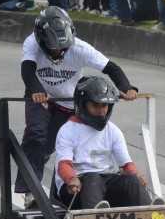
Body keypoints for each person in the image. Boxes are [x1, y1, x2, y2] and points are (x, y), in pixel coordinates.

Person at [16, 7, 139, 209]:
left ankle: (65, 193)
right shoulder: (32, 43)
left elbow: (111, 68)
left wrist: (127, 87)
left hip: (67, 101)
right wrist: (36, 90)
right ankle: (30, 191)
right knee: (36, 136)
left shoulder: (80, 48)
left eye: (62, 49)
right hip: (40, 96)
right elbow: (27, 69)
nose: (58, 53)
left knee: (56, 146)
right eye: (53, 49)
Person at [55, 76, 152, 209]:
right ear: (82, 104)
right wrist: (71, 179)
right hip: (75, 187)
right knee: (93, 178)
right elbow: (63, 165)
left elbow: (127, 165)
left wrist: (137, 176)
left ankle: (152, 215)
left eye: (104, 105)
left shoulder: (113, 131)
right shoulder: (67, 131)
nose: (101, 111)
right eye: (95, 105)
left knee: (132, 181)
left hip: (105, 183)